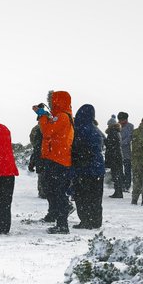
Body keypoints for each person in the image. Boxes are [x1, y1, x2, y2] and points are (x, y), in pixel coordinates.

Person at [36, 90, 74, 234]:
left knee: (58, 192)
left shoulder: (63, 117)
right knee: (54, 191)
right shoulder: (61, 116)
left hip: (59, 160)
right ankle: (61, 222)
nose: (51, 102)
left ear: (59, 101)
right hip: (56, 159)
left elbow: (46, 132)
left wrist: (42, 116)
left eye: (52, 100)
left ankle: (62, 224)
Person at [72, 104, 106, 229]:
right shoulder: (95, 129)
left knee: (82, 196)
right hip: (97, 168)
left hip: (84, 168)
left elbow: (77, 148)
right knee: (96, 197)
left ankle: (86, 220)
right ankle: (96, 221)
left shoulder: (79, 129)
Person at [104, 117, 124, 198]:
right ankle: (119, 191)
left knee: (116, 174)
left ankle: (118, 192)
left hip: (114, 156)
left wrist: (104, 141)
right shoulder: (117, 132)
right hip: (117, 155)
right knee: (117, 174)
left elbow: (110, 144)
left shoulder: (112, 132)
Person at [28, 123, 47, 199]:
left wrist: (32, 163)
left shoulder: (36, 129)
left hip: (41, 156)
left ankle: (43, 192)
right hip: (49, 156)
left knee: (42, 174)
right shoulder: (50, 125)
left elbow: (36, 147)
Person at [118, 112, 133, 191]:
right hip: (118, 152)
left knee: (127, 170)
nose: (120, 121)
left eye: (121, 120)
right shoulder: (117, 126)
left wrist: (120, 143)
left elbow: (129, 138)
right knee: (120, 170)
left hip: (127, 152)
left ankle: (127, 185)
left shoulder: (130, 126)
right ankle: (122, 184)